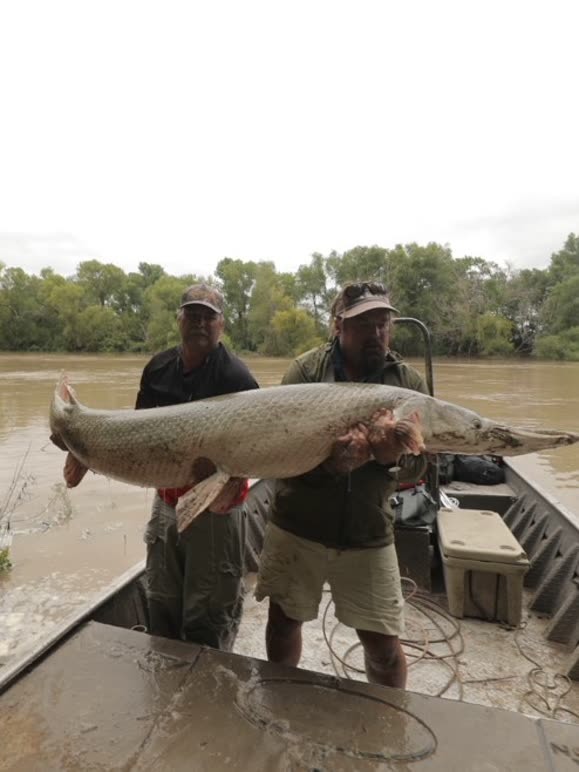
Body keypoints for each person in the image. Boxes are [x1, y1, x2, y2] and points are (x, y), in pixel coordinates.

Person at [255, 281, 428, 688]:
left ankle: (387, 719)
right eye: (364, 324)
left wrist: (387, 462)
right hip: (298, 524)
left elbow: (420, 466)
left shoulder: (408, 384)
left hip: (368, 531)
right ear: (338, 326)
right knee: (282, 624)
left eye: (384, 323)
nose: (377, 333)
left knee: (384, 648)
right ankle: (283, 696)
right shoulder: (304, 372)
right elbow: (281, 451)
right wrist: (332, 466)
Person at [136, 283, 259, 651]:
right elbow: (138, 433)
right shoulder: (158, 367)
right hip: (167, 504)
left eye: (209, 316)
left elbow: (254, 447)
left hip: (216, 512)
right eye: (193, 315)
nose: (200, 323)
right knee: (161, 603)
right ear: (179, 320)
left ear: (221, 325)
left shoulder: (237, 377)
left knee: (208, 616)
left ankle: (207, 696)